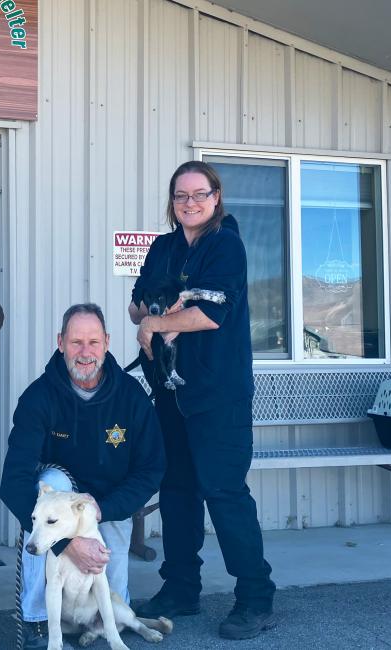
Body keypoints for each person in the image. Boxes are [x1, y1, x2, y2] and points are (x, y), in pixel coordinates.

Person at [129, 160, 277, 639]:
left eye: (199, 194)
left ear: (216, 197)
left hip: (218, 396)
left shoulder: (226, 245)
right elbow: (137, 301)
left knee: (223, 491)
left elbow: (209, 316)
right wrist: (152, 309)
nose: (189, 203)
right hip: (170, 391)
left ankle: (255, 598)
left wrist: (156, 322)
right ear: (172, 203)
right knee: (175, 490)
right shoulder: (163, 247)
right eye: (180, 196)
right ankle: (180, 589)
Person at [0, 303, 165, 649]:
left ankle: (99, 624)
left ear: (106, 342)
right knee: (53, 491)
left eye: (93, 342)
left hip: (107, 507)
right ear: (60, 342)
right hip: (59, 512)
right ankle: (38, 622)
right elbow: (13, 482)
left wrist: (103, 510)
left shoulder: (131, 398)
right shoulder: (38, 398)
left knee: (108, 610)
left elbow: (151, 469)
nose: (85, 352)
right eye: (76, 342)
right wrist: (64, 541)